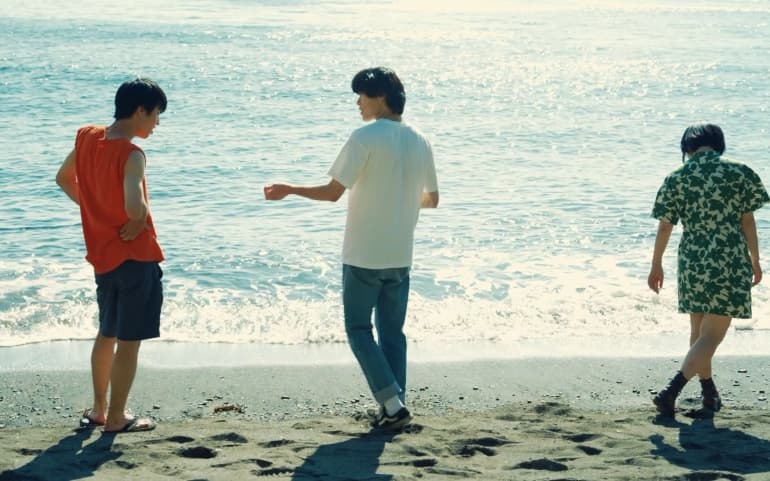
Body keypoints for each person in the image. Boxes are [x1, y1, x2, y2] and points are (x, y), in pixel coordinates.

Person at [264, 67, 439, 430]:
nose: (358, 103)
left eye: (361, 96)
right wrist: (398, 201)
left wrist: (289, 189)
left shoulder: (364, 137)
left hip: (364, 254)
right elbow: (432, 199)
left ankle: (391, 403)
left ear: (380, 97)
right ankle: (395, 406)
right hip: (401, 254)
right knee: (392, 334)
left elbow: (332, 193)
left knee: (358, 329)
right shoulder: (421, 140)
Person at [56, 78, 167, 433]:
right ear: (140, 111)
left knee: (107, 333)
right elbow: (135, 204)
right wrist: (137, 217)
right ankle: (117, 418)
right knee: (129, 342)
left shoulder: (87, 137)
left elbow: (63, 178)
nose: (157, 123)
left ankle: (99, 409)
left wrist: (95, 210)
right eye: (156, 114)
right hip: (135, 258)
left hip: (103, 256)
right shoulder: (132, 154)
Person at [648, 123, 769, 417]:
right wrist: (755, 259)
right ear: (718, 143)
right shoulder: (740, 171)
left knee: (700, 333)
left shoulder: (677, 177)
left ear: (687, 148)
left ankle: (708, 394)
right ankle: (671, 391)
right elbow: (747, 221)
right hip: (728, 259)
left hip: (692, 261)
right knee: (711, 336)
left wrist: (656, 264)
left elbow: (665, 226)